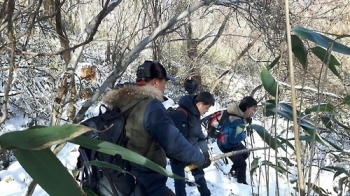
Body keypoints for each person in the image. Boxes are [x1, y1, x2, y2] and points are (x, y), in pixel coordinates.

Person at [102, 60, 211, 196]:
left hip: (119, 174)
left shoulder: (121, 102)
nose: (165, 86)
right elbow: (174, 144)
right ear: (155, 82)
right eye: (164, 82)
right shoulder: (153, 107)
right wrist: (200, 158)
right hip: (145, 180)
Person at [169, 91, 215, 196]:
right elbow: (175, 140)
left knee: (200, 177)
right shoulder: (180, 114)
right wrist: (175, 155)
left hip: (194, 154)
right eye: (206, 107)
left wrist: (205, 153)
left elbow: (200, 137)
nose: (207, 111)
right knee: (179, 182)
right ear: (199, 104)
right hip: (178, 157)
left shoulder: (196, 115)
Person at [213, 96, 257, 184]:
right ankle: (241, 183)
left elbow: (236, 123)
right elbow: (233, 139)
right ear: (247, 108)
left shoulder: (236, 110)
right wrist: (245, 135)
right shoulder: (236, 119)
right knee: (242, 165)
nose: (253, 112)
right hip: (227, 145)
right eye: (252, 109)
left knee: (246, 152)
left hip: (225, 141)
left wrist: (245, 120)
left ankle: (233, 171)